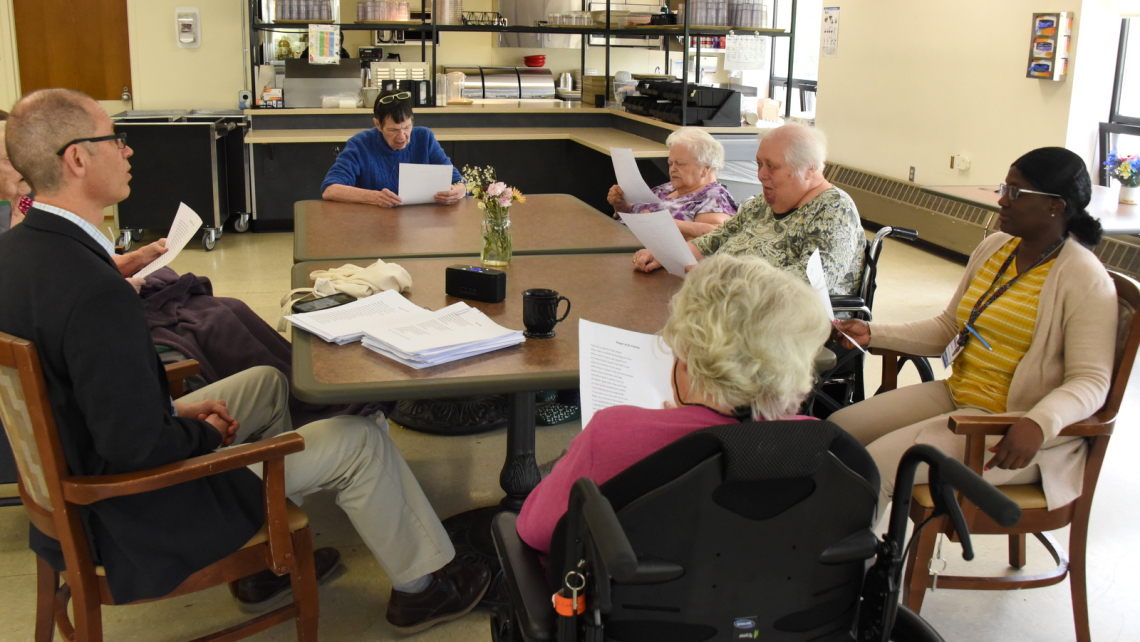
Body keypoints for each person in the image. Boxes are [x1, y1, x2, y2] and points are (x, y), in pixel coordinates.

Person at [0, 89, 489, 633]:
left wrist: (173, 415)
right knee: (360, 442)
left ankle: (266, 565)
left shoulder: (20, 254)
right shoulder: (96, 294)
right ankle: (421, 589)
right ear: (77, 159)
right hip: (133, 508)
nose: (128, 151)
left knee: (265, 383)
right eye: (116, 139)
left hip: (78, 469)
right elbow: (135, 448)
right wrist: (202, 433)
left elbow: (96, 408)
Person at [830, 147, 1116, 514]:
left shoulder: (1083, 278)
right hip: (958, 394)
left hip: (1008, 427)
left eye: (1015, 192)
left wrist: (1040, 423)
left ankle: (853, 567)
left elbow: (1091, 380)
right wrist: (874, 333)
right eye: (1004, 188)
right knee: (837, 431)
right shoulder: (996, 247)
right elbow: (949, 328)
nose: (1002, 200)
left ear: (1055, 206)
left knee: (875, 467)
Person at [517, 253, 832, 554]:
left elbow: (535, 531)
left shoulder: (613, 433)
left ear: (687, 353)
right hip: (761, 607)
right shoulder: (819, 447)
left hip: (622, 605)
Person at [632, 123, 865, 297]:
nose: (761, 175)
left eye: (771, 166)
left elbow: (812, 281)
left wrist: (728, 280)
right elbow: (717, 238)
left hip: (781, 323)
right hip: (730, 303)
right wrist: (666, 253)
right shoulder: (761, 203)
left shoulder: (834, 209)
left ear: (808, 169)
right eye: (759, 164)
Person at [321, 89, 465, 208]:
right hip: (373, 227)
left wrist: (458, 191)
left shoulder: (424, 138)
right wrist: (375, 197)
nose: (402, 137)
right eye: (393, 130)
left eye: (407, 127)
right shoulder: (360, 144)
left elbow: (457, 181)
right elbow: (330, 189)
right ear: (378, 125)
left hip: (419, 226)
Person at [607, 127, 738, 240]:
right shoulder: (669, 187)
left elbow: (717, 235)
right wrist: (622, 205)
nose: (672, 169)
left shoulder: (714, 198)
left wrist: (662, 223)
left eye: (680, 164)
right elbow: (641, 213)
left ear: (706, 168)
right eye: (670, 163)